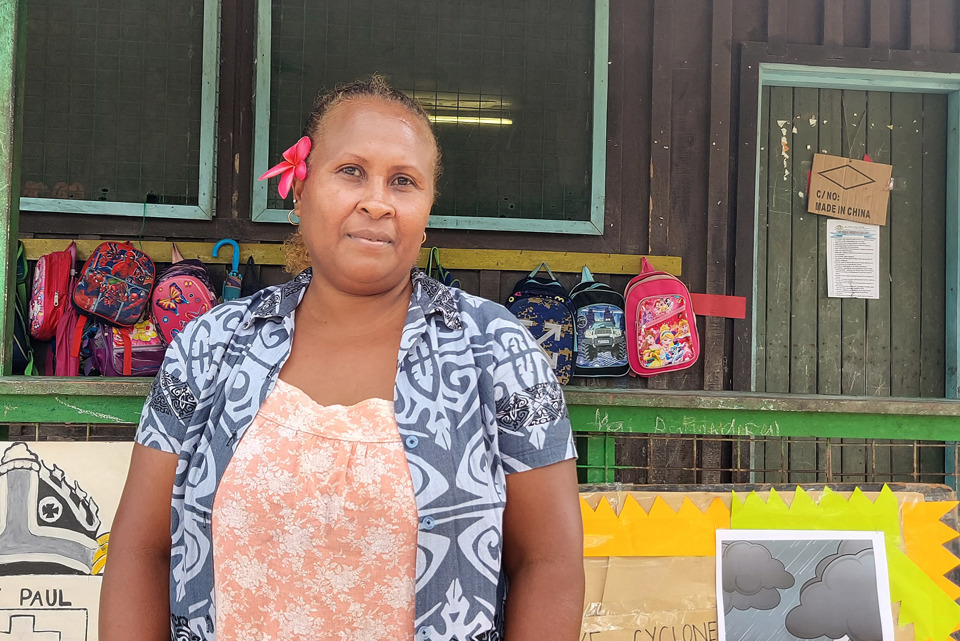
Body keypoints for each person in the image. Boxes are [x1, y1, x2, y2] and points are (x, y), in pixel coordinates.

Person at [99, 75, 584, 641]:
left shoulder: (496, 351)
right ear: (299, 189)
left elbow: (548, 564)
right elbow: (140, 549)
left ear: (427, 207)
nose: (376, 201)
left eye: (403, 181)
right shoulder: (212, 347)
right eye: (351, 171)